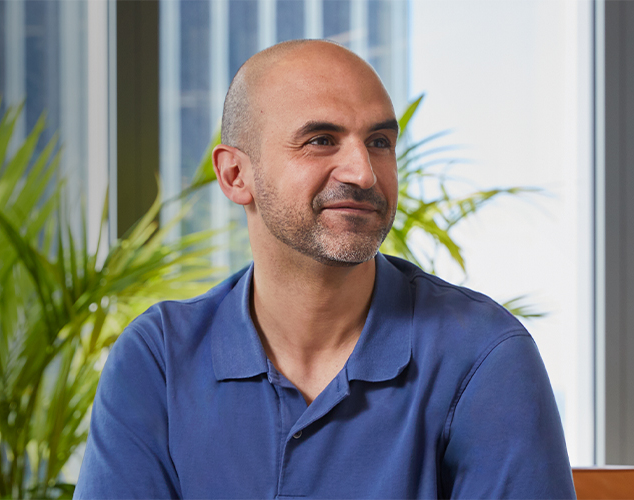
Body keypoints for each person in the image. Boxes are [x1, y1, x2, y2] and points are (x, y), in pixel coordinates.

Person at [73, 40, 575, 499]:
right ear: (234, 174)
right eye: (319, 140)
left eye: (379, 141)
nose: (363, 173)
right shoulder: (157, 360)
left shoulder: (484, 356)